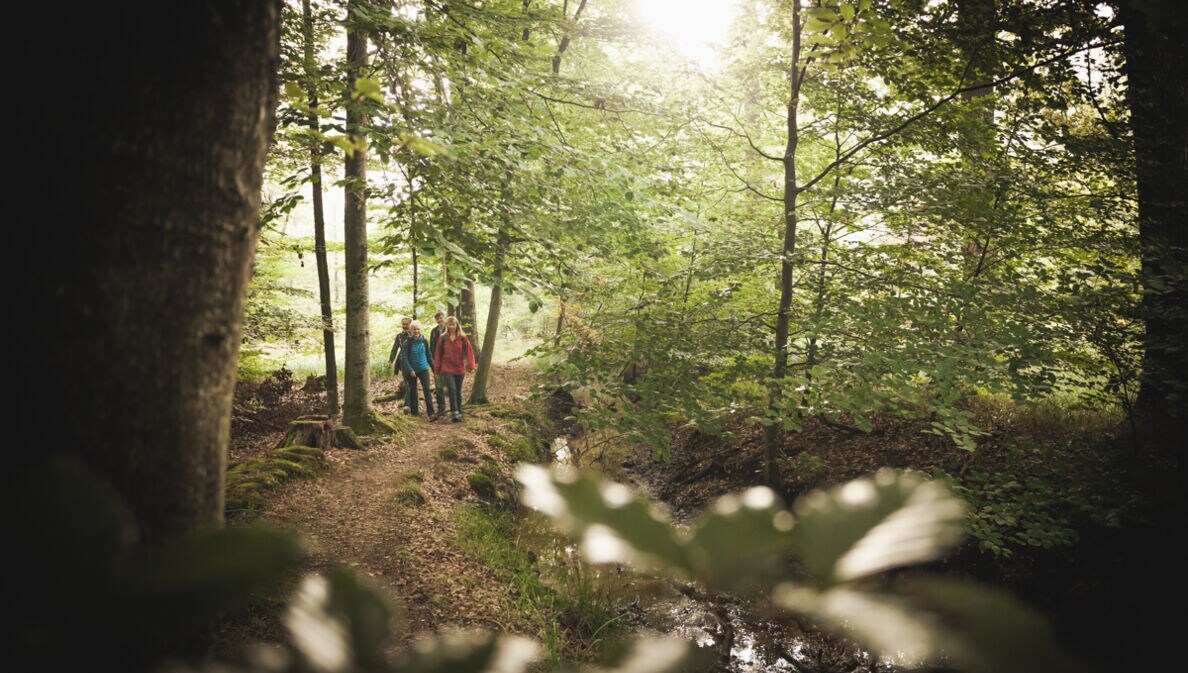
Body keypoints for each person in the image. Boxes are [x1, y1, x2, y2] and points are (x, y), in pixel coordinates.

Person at [434, 315, 476, 422]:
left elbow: (469, 351)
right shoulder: (442, 338)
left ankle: (459, 411)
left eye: (454, 324)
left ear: (457, 325)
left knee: (458, 391)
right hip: (447, 368)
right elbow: (438, 354)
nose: (452, 326)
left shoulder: (462, 337)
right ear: (447, 325)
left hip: (459, 368)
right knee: (451, 389)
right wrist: (436, 370)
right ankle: (454, 412)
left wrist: (471, 365)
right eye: (449, 324)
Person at [399, 320, 437, 419]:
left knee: (427, 390)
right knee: (413, 391)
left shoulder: (424, 340)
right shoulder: (407, 343)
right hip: (412, 371)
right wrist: (410, 370)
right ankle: (414, 413)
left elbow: (429, 356)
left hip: (424, 369)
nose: (416, 331)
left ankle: (431, 413)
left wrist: (434, 368)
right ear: (411, 330)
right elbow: (404, 359)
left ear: (420, 329)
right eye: (414, 329)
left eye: (418, 329)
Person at [386, 316, 414, 411]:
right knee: (408, 382)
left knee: (412, 382)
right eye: (403, 324)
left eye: (407, 324)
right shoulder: (399, 336)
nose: (405, 326)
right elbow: (394, 349)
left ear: (411, 324)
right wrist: (390, 361)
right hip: (402, 361)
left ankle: (412, 404)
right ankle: (407, 405)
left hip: (414, 361)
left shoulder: (415, 334)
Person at [429, 311, 447, 418]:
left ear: (444, 318)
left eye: (441, 318)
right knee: (438, 385)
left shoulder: (449, 329)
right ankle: (441, 408)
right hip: (437, 362)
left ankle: (455, 408)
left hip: (448, 362)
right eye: (437, 318)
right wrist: (432, 362)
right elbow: (431, 347)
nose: (439, 320)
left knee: (450, 385)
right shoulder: (434, 331)